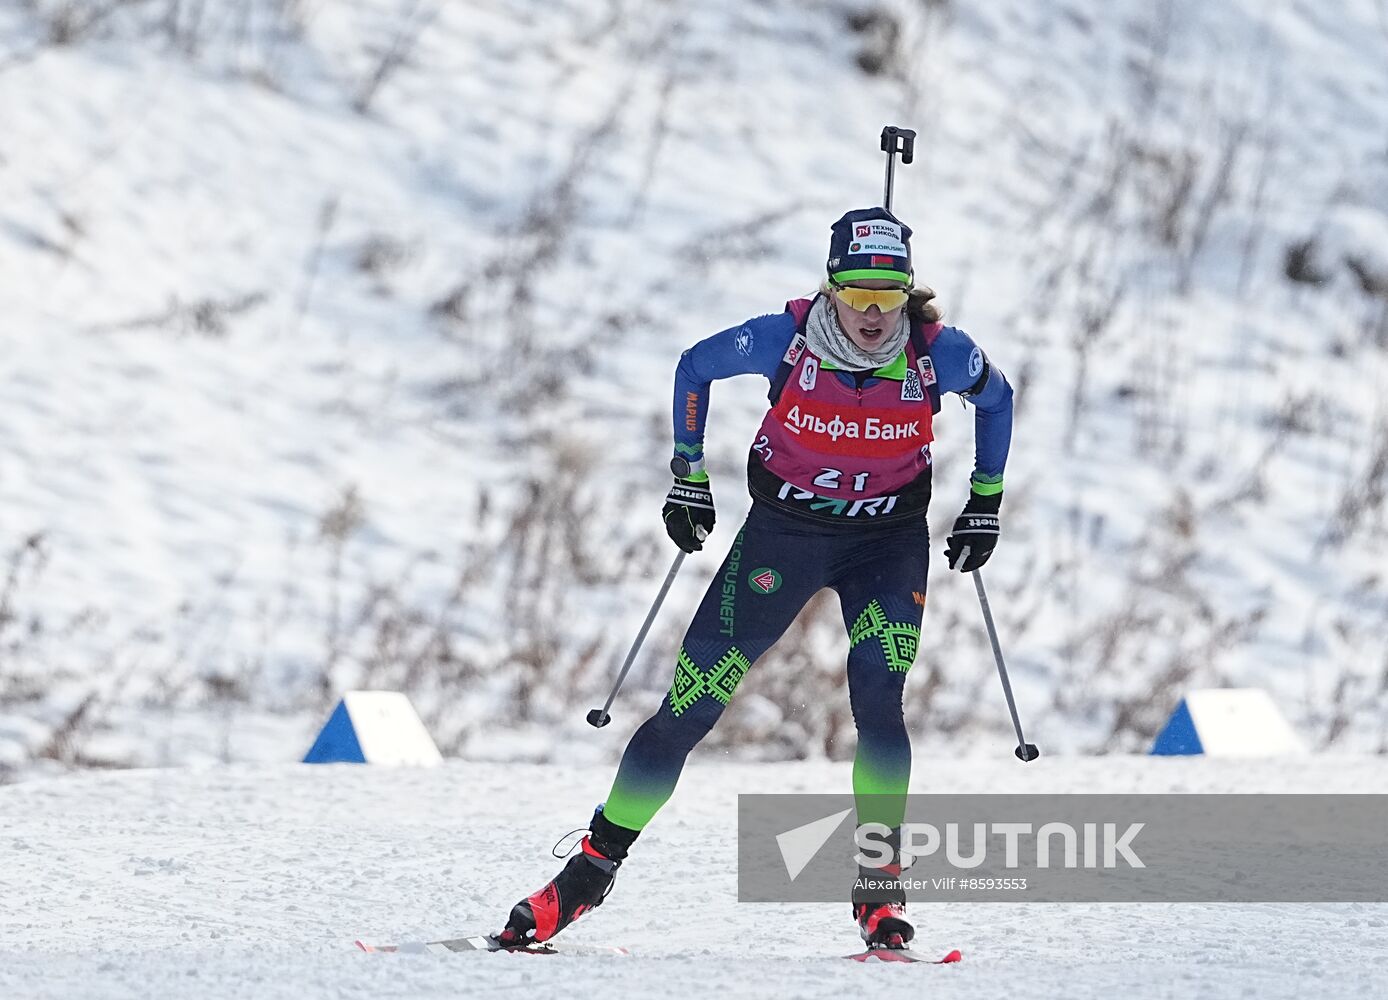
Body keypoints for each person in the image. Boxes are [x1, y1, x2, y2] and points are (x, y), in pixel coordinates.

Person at [497, 207, 1014, 950]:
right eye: (857, 294)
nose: (873, 314)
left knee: (879, 696)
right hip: (784, 539)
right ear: (831, 287)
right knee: (690, 706)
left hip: (885, 545)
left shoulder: (941, 355)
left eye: (888, 295)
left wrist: (986, 503)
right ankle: (586, 874)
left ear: (908, 292)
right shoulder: (786, 339)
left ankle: (879, 890)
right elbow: (693, 367)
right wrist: (688, 477)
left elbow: (998, 399)